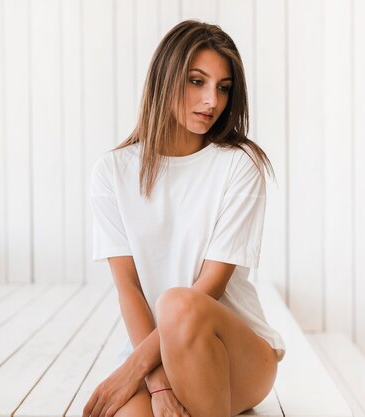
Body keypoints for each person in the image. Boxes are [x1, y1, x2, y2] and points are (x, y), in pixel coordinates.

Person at [83, 19, 286, 417]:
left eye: (223, 87)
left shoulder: (238, 166)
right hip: (154, 353)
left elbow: (208, 288)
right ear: (165, 78)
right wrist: (155, 386)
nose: (212, 100)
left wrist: (133, 370)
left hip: (238, 353)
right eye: (197, 81)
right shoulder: (111, 173)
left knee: (178, 303)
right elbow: (129, 288)